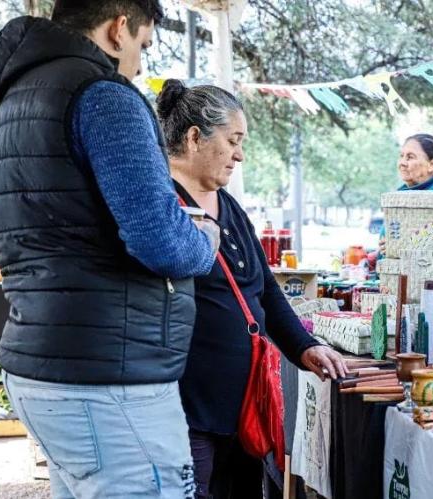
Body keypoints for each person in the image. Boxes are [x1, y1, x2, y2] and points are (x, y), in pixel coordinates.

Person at [0, 1, 220, 496]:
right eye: (143, 46)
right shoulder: (104, 95)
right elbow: (163, 242)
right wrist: (206, 240)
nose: (139, 63)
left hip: (43, 367)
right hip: (110, 382)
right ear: (118, 28)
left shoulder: (9, 107)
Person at [155, 79, 349, 499]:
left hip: (244, 407)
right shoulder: (158, 204)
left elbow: (264, 291)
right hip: (188, 407)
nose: (239, 154)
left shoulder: (230, 207)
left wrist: (304, 346)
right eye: (233, 141)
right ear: (193, 138)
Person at [369, 133, 433, 265]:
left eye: (410, 157)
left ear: (432, 164)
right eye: (401, 156)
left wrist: (398, 247)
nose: (402, 163)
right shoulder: (403, 193)